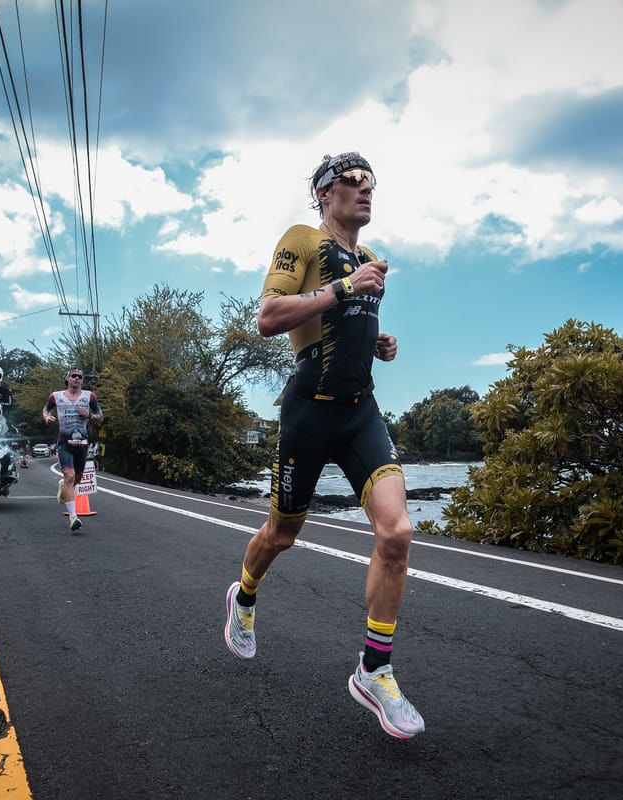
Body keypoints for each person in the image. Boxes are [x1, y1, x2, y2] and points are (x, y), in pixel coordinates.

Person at [222, 151, 424, 739]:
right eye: (352, 182)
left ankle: (374, 669)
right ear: (323, 193)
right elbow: (269, 317)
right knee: (282, 533)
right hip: (308, 414)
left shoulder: (368, 260)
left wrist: (377, 341)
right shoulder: (303, 240)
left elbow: (344, 322)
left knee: (398, 531)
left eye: (371, 183)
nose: (365, 191)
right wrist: (345, 288)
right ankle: (246, 596)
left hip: (361, 411)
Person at [42, 368, 103, 531]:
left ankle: (65, 487)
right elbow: (46, 409)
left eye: (80, 377)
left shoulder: (89, 396)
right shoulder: (56, 396)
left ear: (82, 380)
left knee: (77, 479)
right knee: (69, 476)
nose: (76, 379)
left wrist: (89, 415)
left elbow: (100, 416)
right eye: (73, 376)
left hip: (82, 444)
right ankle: (73, 518)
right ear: (67, 378)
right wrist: (47, 417)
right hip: (64, 443)